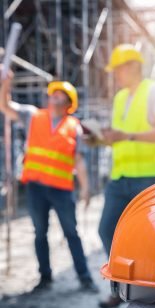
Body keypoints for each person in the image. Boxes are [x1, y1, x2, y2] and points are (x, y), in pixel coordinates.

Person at [87, 44, 155, 308]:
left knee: (151, 237)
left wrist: (127, 136)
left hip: (149, 179)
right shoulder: (120, 98)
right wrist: (100, 141)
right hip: (120, 178)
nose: (114, 75)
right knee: (107, 230)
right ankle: (121, 286)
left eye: (117, 69)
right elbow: (121, 139)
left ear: (133, 66)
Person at [0, 68, 97, 292]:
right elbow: (5, 106)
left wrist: (85, 188)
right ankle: (45, 278)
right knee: (40, 233)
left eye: (60, 94)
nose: (55, 97)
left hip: (62, 190)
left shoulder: (74, 127)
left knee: (71, 233)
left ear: (68, 102)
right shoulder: (33, 116)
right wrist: (6, 82)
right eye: (53, 94)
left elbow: (79, 160)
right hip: (36, 188)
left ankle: (85, 278)